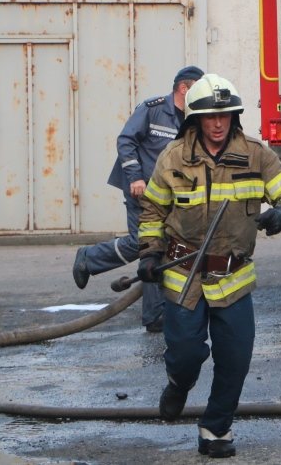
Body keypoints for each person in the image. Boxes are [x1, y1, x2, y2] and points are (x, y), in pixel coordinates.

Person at [136, 73, 281, 458]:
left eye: (225, 115)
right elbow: (152, 210)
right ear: (193, 119)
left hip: (232, 275)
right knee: (186, 353)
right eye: (209, 117)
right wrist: (149, 252)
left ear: (235, 116)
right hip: (183, 274)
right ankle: (178, 384)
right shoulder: (173, 158)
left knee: (235, 358)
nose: (217, 123)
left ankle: (215, 429)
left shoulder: (256, 154)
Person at [72, 65, 205, 333]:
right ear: (184, 88)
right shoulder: (153, 109)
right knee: (145, 245)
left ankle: (155, 314)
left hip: (170, 193)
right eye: (197, 90)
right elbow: (126, 141)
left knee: (158, 248)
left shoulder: (193, 118)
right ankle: (89, 258)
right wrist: (135, 177)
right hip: (141, 189)